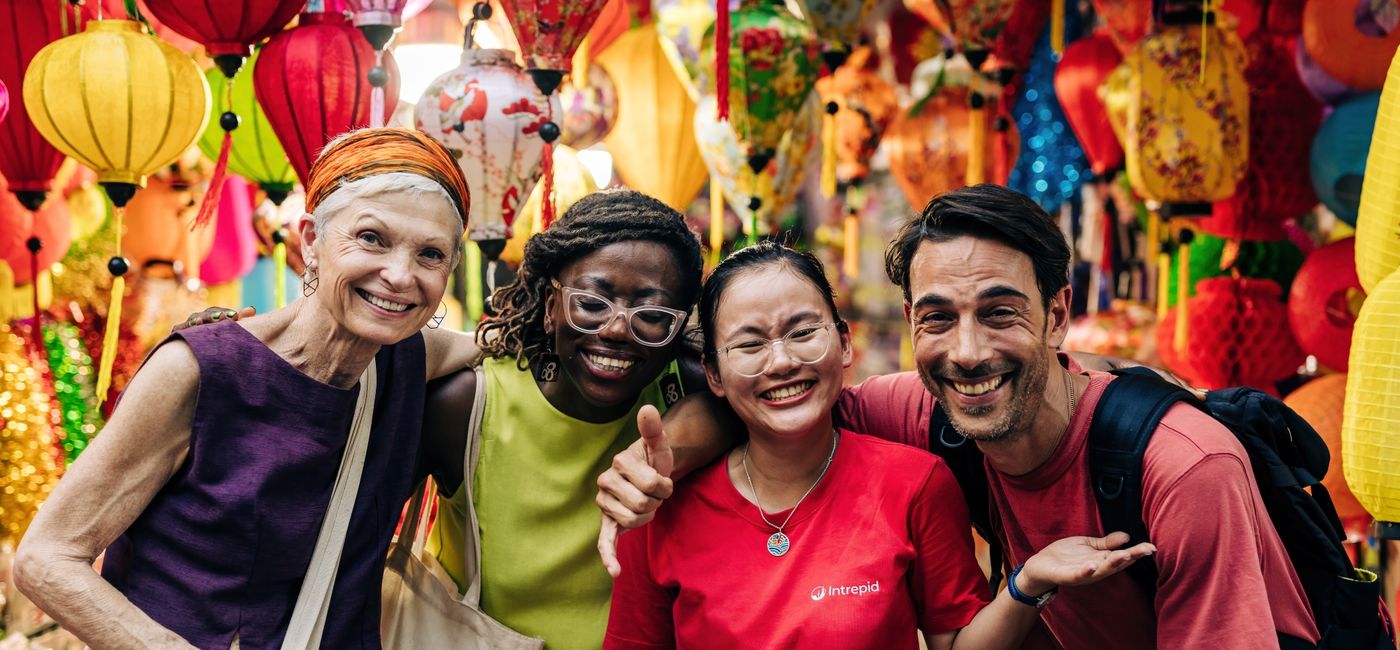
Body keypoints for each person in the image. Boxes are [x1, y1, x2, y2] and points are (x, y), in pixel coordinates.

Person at [599, 184, 1320, 648]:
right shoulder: (918, 410)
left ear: (1057, 316)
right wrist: (660, 459)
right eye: (939, 318)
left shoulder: (1185, 467)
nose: (968, 353)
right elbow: (781, 404)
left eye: (1000, 313)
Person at [14, 127, 482, 649]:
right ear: (311, 240)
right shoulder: (198, 371)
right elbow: (46, 558)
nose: (399, 275)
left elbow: (509, 339)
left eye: (430, 255)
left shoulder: (409, 357)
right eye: (372, 238)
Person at [603, 241, 1155, 649]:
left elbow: (955, 644)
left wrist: (1027, 582)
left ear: (845, 344)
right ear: (714, 374)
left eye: (803, 332)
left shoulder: (915, 483)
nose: (782, 362)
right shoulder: (659, 509)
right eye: (749, 345)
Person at [417, 189, 709, 650]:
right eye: (591, 303)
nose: (617, 329)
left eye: (651, 314)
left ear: (677, 327)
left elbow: (755, 408)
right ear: (552, 308)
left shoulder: (686, 390)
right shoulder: (468, 403)